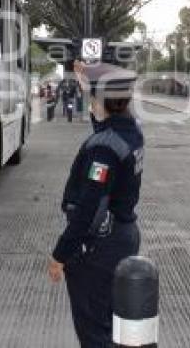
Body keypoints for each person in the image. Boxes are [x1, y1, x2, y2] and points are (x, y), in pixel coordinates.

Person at [48, 60, 144, 348]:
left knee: (95, 332)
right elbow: (104, 127)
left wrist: (60, 255)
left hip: (100, 244)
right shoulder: (130, 132)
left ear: (98, 100)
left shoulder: (103, 148)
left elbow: (89, 209)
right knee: (110, 321)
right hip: (124, 237)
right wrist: (86, 82)